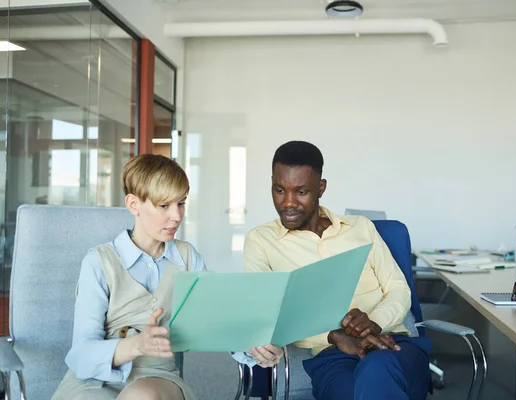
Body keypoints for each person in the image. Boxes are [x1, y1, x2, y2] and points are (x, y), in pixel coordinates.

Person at [53, 154, 282, 400]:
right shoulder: (99, 262)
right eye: (164, 206)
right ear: (133, 205)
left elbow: (218, 322)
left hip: (156, 378)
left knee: (141, 397)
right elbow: (81, 353)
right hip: (93, 381)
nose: (177, 216)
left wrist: (255, 347)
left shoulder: (188, 259)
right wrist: (137, 345)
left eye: (181, 203)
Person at [243, 141, 432, 400]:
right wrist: (335, 336)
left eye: (300, 192)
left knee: (377, 370)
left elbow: (398, 288)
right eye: (279, 190)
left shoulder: (360, 228)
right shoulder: (261, 241)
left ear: (320, 189)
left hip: (393, 344)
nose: (288, 202)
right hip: (332, 358)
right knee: (350, 391)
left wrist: (374, 324)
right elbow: (269, 312)